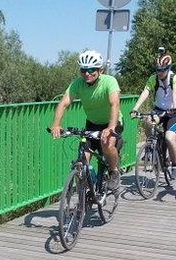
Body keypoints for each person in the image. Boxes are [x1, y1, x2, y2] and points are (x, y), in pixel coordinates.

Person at [50, 50, 123, 190]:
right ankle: (86, 194)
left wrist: (111, 128)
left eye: (91, 70)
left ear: (100, 70)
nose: (87, 74)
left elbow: (114, 104)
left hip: (112, 121)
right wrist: (56, 125)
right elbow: (63, 103)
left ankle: (114, 171)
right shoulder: (77, 83)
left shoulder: (110, 81)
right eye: (83, 70)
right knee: (82, 160)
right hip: (92, 123)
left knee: (107, 145)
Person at [130, 49, 176, 179]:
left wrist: (175, 105)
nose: (160, 73)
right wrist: (135, 108)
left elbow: (175, 93)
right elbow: (145, 92)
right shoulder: (153, 78)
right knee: (147, 120)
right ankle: (150, 148)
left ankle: (175, 164)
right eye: (158, 70)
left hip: (173, 112)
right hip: (159, 109)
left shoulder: (174, 78)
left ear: (168, 68)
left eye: (162, 70)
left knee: (169, 138)